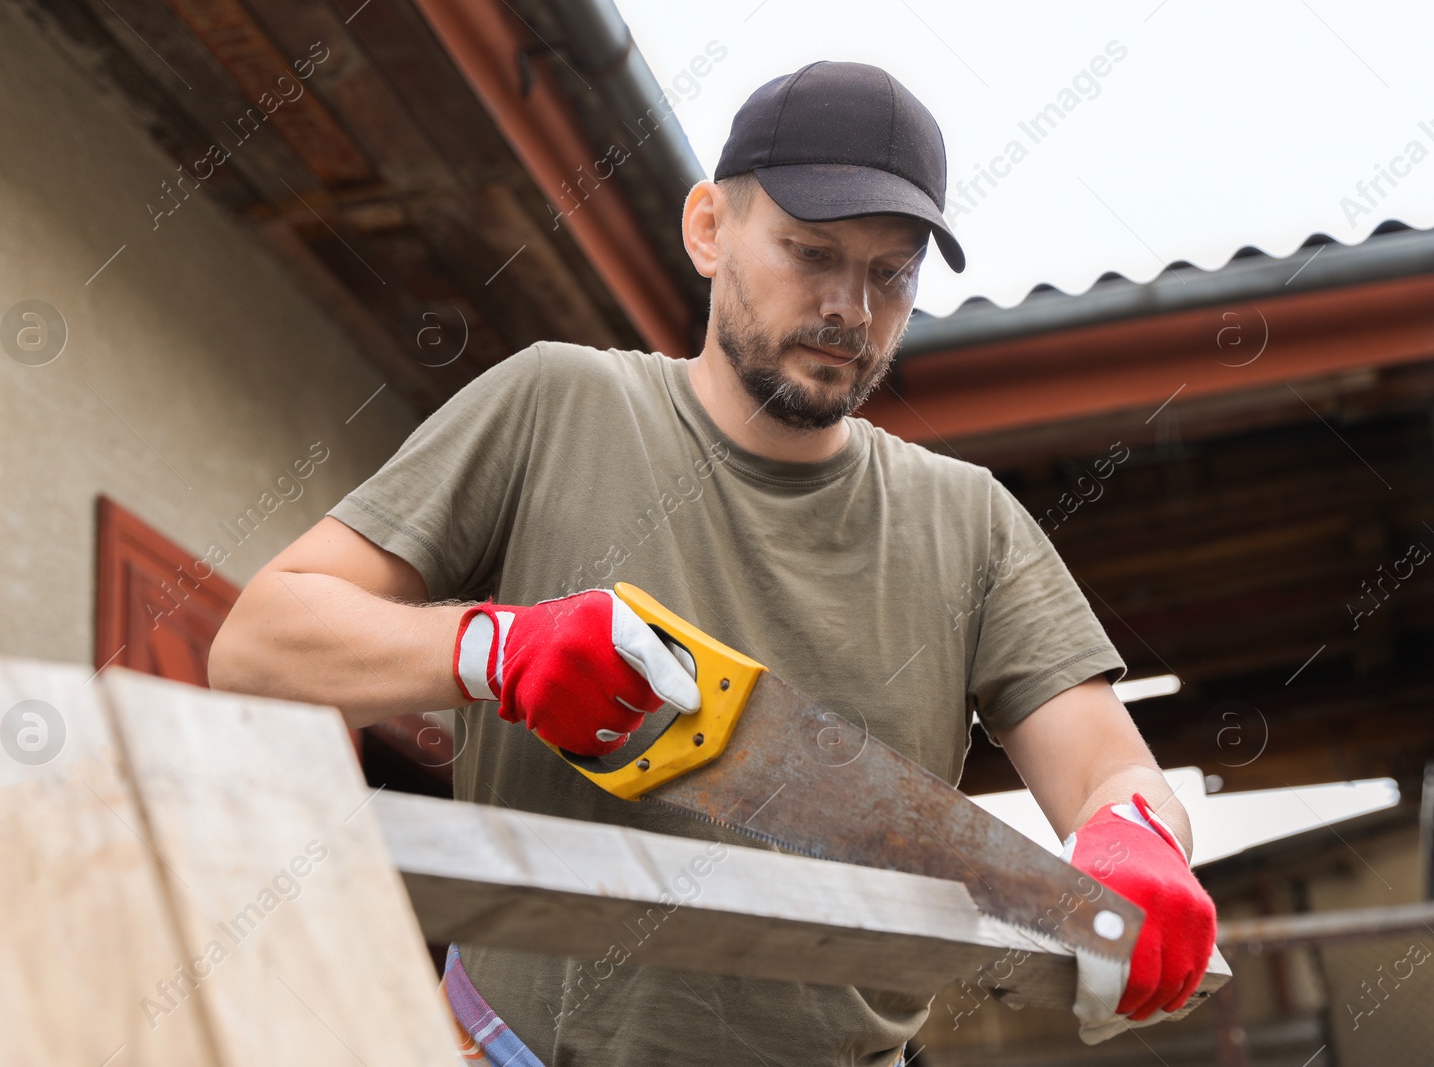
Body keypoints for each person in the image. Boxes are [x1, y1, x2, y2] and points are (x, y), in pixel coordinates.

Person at [208, 59, 1216, 1066]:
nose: (850, 309)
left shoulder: (973, 522)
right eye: (809, 251)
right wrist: (496, 648)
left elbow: (1107, 770)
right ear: (707, 228)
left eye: (889, 273)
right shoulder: (555, 404)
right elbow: (256, 647)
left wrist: (1137, 833)